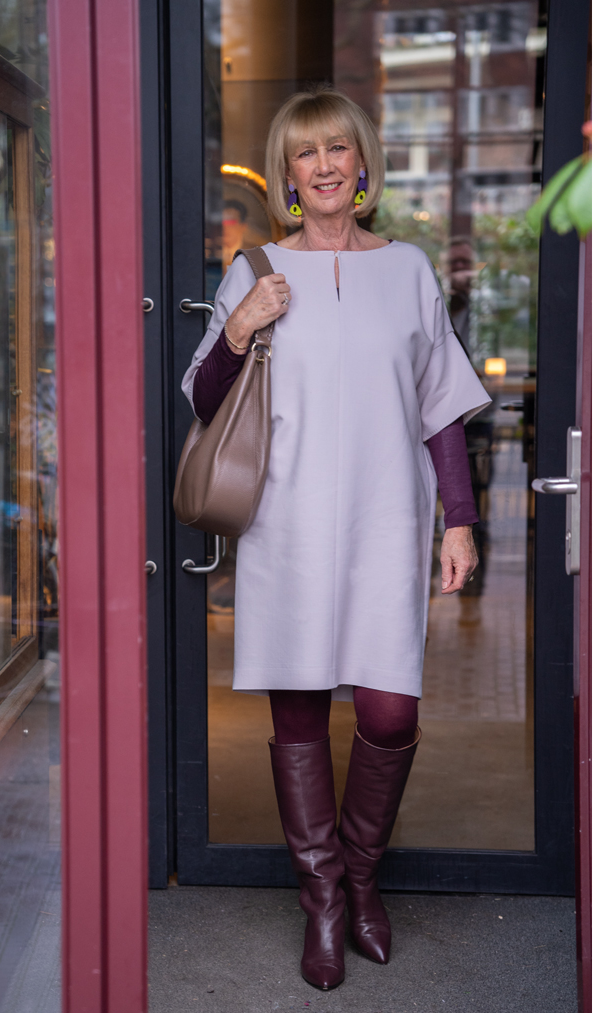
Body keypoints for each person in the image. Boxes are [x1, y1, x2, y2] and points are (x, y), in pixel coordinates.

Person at [181, 89, 490, 991]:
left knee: (392, 712)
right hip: (290, 522)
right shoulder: (258, 267)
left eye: (338, 150)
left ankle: (361, 876)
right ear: (286, 174)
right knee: (300, 710)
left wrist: (459, 518)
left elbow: (439, 407)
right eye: (305, 153)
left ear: (361, 166)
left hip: (388, 519)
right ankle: (323, 898)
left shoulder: (407, 270)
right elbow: (203, 398)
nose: (323, 166)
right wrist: (240, 325)